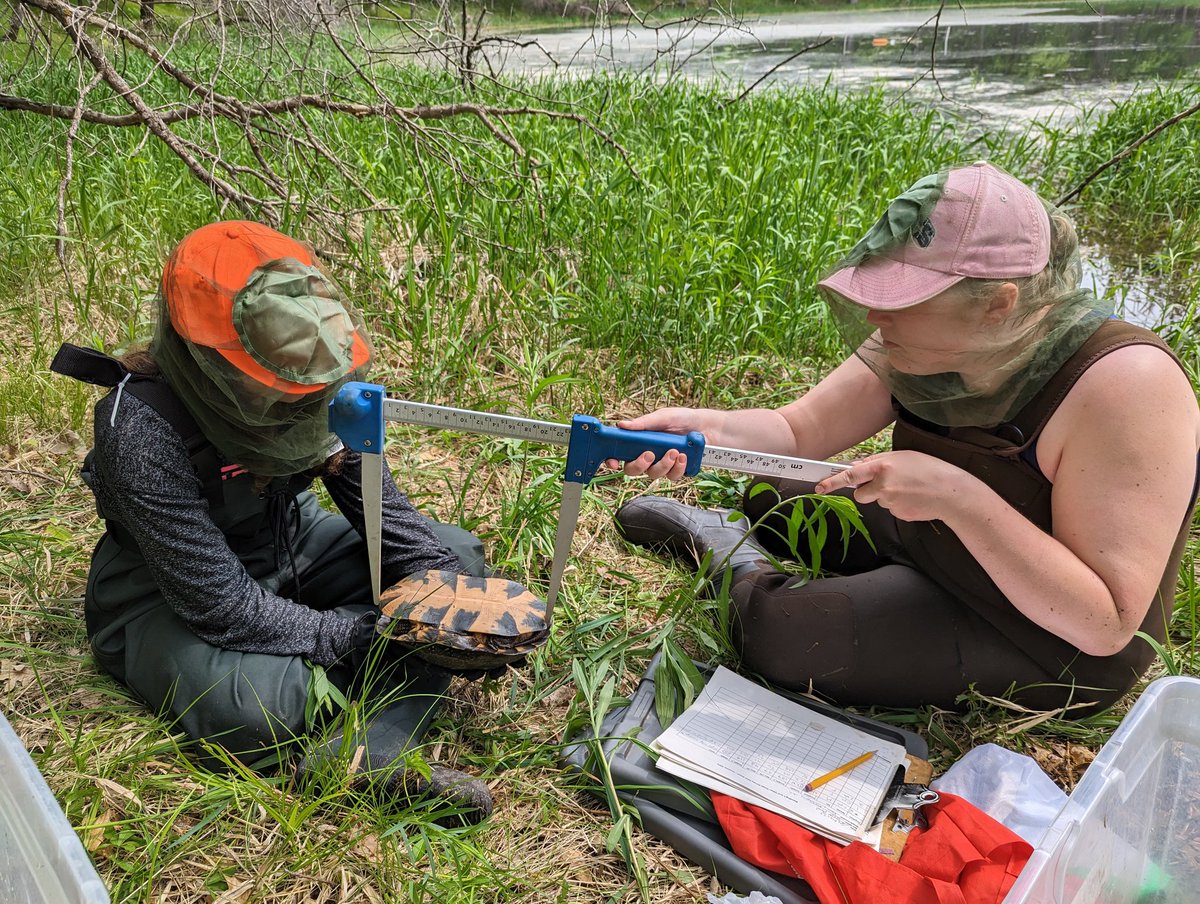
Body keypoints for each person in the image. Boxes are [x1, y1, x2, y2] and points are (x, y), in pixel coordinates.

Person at [612, 162, 1200, 715]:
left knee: (783, 633)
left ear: (998, 303)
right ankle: (784, 543)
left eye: (903, 300)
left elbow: (1108, 621)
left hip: (1048, 633)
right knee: (772, 495)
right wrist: (705, 428)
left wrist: (956, 496)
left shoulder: (1127, 385)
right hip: (936, 536)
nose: (875, 317)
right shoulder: (920, 342)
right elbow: (799, 430)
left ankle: (727, 555)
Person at [54, 221, 494, 818]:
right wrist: (373, 635)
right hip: (170, 595)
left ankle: (367, 743)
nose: (300, 405)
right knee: (252, 710)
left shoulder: (320, 378)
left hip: (294, 540)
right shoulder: (138, 428)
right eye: (275, 392)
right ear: (208, 361)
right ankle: (380, 720)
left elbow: (383, 513)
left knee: (457, 564)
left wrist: (446, 608)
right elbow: (220, 606)